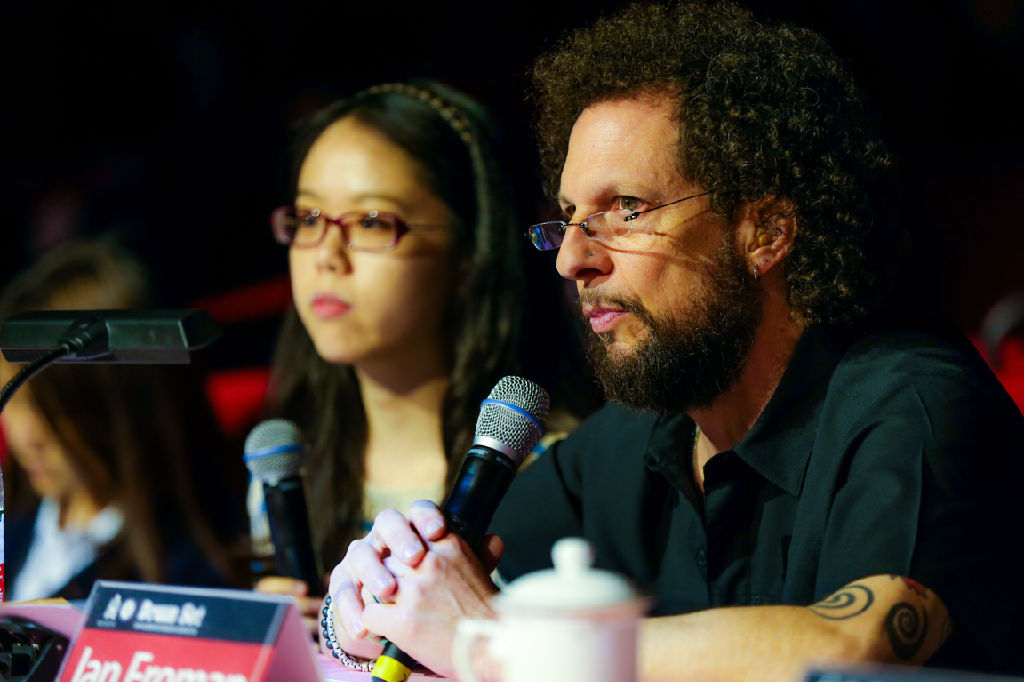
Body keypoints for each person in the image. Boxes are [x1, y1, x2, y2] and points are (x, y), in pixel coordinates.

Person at [325, 3, 1024, 680]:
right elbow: (443, 588)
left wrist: (493, 644)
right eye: (570, 217)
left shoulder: (917, 406)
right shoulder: (642, 436)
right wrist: (362, 611)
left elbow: (853, 651)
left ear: (765, 232)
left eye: (626, 209)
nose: (572, 259)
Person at [256, 82, 592, 618]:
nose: (326, 256)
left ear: (469, 249)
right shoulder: (285, 469)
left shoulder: (558, 470)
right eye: (309, 219)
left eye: (371, 222)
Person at [0, 240, 248, 601]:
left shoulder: (196, 567)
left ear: (120, 406)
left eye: (52, 409)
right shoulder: (15, 527)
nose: (25, 436)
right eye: (14, 401)